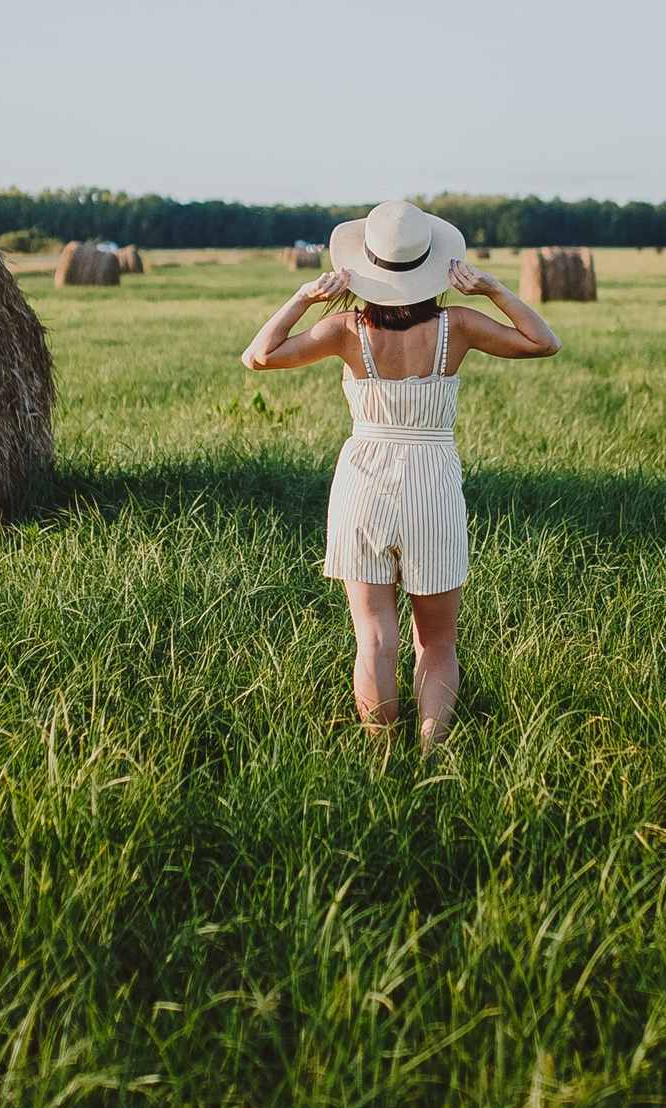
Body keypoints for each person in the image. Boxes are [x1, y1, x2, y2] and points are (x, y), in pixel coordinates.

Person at [239, 202, 562, 748]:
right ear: (431, 266)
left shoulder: (344, 330)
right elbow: (543, 342)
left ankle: (383, 757)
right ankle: (433, 757)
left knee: (373, 637)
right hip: (432, 486)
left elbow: (258, 357)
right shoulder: (456, 326)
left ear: (368, 269)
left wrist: (304, 296)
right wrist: (492, 290)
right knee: (437, 643)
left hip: (363, 484)